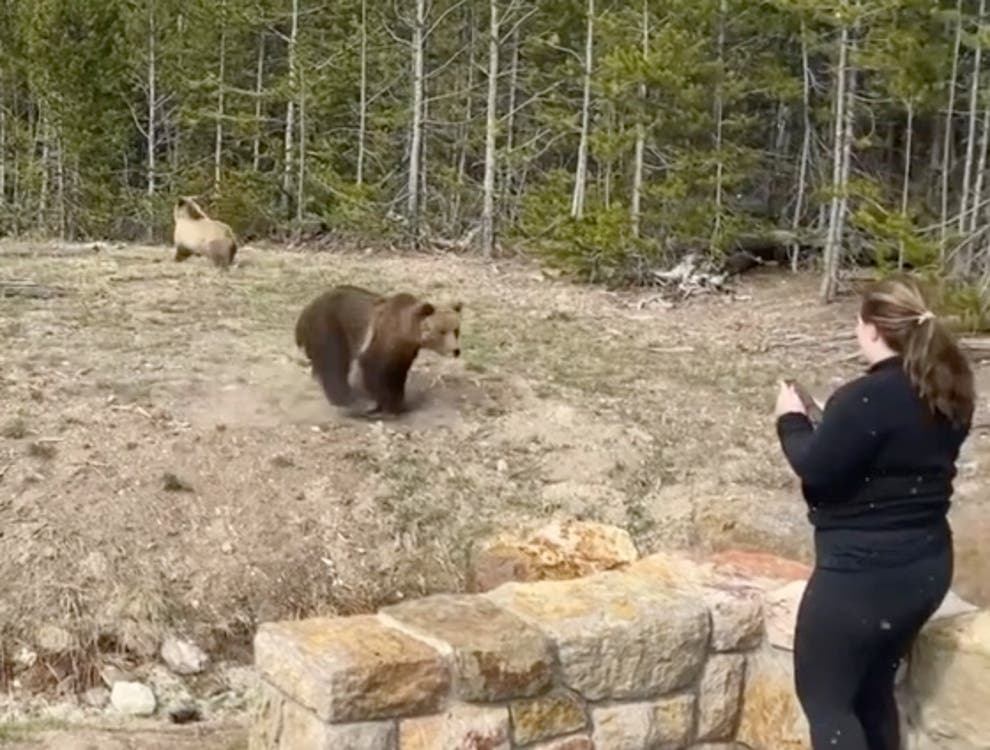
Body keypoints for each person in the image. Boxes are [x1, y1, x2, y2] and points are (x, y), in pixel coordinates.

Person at [774, 275, 975, 750]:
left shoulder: (864, 398)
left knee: (827, 703)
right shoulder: (947, 389)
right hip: (925, 567)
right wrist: (835, 425)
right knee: (872, 692)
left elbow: (816, 468)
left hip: (862, 576)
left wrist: (791, 419)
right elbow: (891, 452)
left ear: (871, 329)